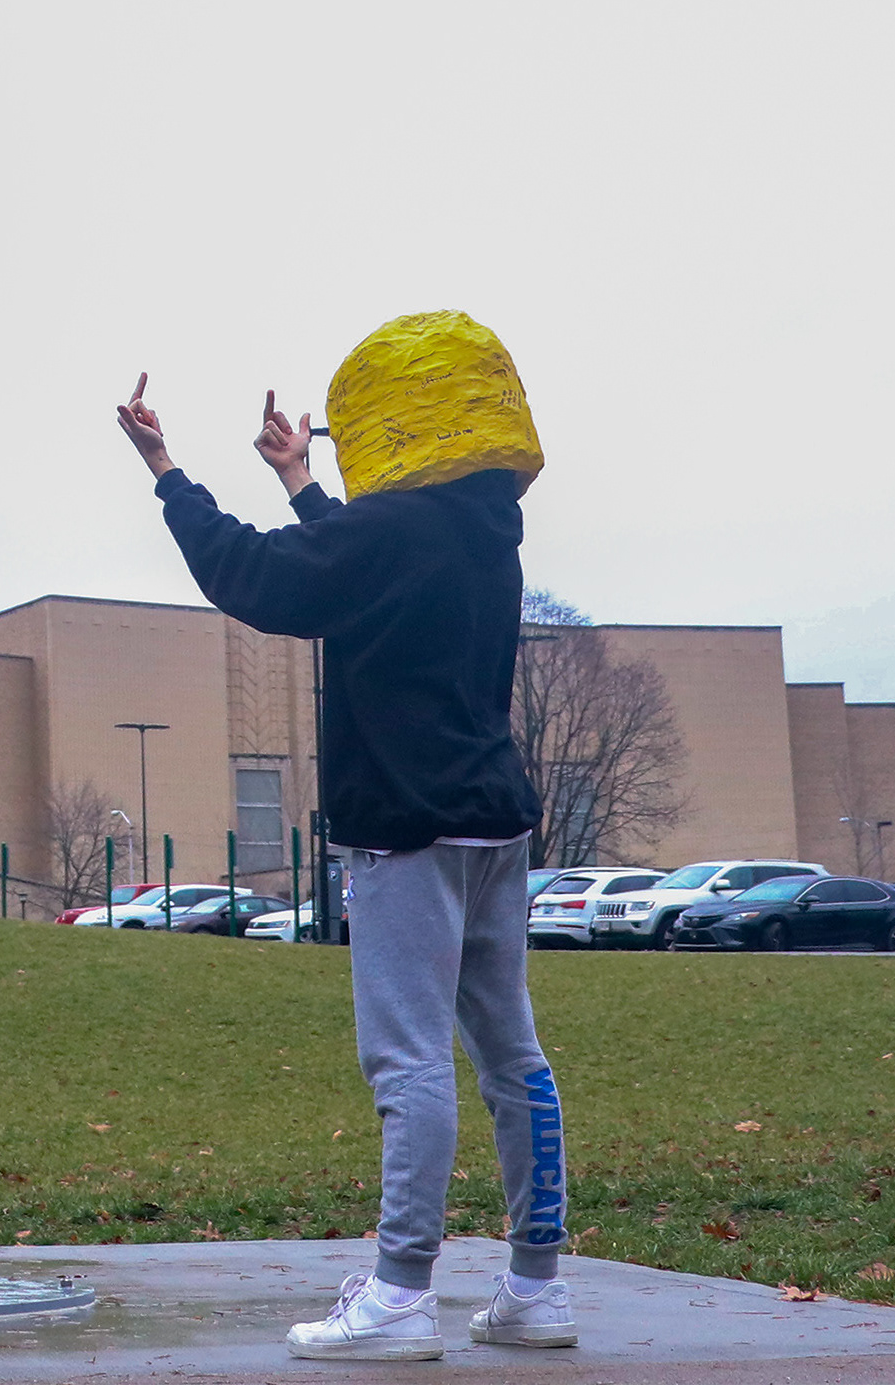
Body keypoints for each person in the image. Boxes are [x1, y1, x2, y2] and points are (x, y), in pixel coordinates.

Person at [116, 312, 570, 1363]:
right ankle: (536, 1289)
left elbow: (255, 576)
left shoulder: (386, 534)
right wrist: (299, 483)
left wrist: (167, 472)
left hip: (405, 825)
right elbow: (366, 574)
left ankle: (400, 1295)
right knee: (513, 1057)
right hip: (495, 821)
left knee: (408, 1062)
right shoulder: (484, 529)